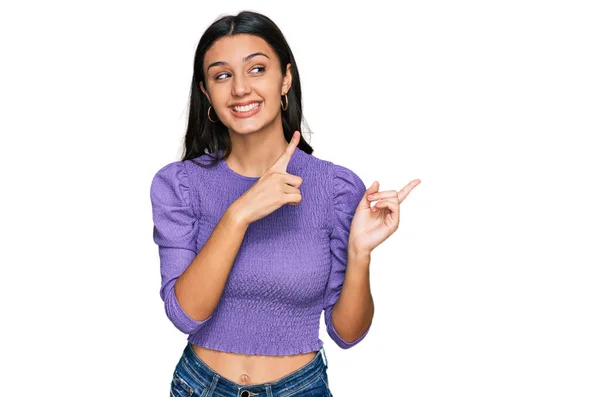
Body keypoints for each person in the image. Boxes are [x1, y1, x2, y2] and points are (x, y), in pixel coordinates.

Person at [150, 10, 420, 397]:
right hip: (199, 387)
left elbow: (347, 333)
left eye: (257, 69)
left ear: (286, 79)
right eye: (222, 75)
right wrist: (240, 213)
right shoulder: (180, 186)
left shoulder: (335, 187)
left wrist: (360, 252)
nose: (240, 88)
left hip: (300, 388)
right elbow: (185, 314)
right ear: (207, 93)